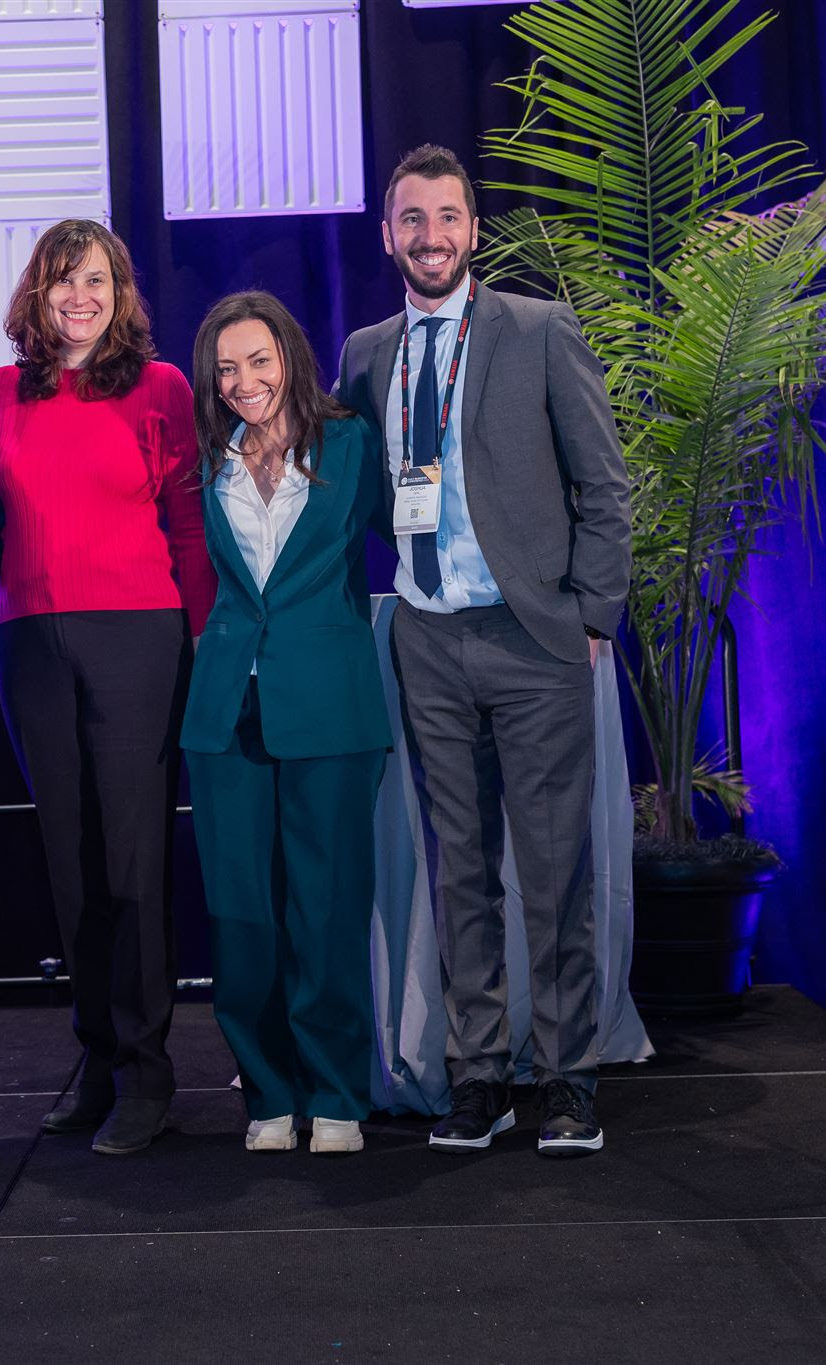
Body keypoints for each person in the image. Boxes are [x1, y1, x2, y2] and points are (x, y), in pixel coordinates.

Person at [336, 145, 631, 1157]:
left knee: (552, 871)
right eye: (411, 219)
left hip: (532, 636)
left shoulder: (537, 332)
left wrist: (591, 618)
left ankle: (566, 1078)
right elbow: (353, 493)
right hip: (424, 634)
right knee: (456, 870)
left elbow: (602, 482)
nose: (430, 236)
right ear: (388, 235)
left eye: (447, 217)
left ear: (473, 228)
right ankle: (477, 1078)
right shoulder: (366, 352)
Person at [0, 220, 216, 1155]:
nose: (79, 297)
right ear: (35, 294)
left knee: (132, 859)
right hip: (28, 639)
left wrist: (198, 642)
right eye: (61, 281)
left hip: (138, 638)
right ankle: (99, 1057)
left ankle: (150, 1070)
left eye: (97, 281)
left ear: (121, 294)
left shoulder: (159, 388)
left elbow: (190, 529)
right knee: (70, 865)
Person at [180, 291, 391, 1157]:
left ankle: (336, 1089)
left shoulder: (351, 443)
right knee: (242, 915)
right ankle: (268, 1089)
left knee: (328, 908)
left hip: (332, 702)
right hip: (227, 706)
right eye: (226, 368)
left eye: (257, 361)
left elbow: (413, 535)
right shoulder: (205, 459)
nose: (242, 381)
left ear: (290, 358)